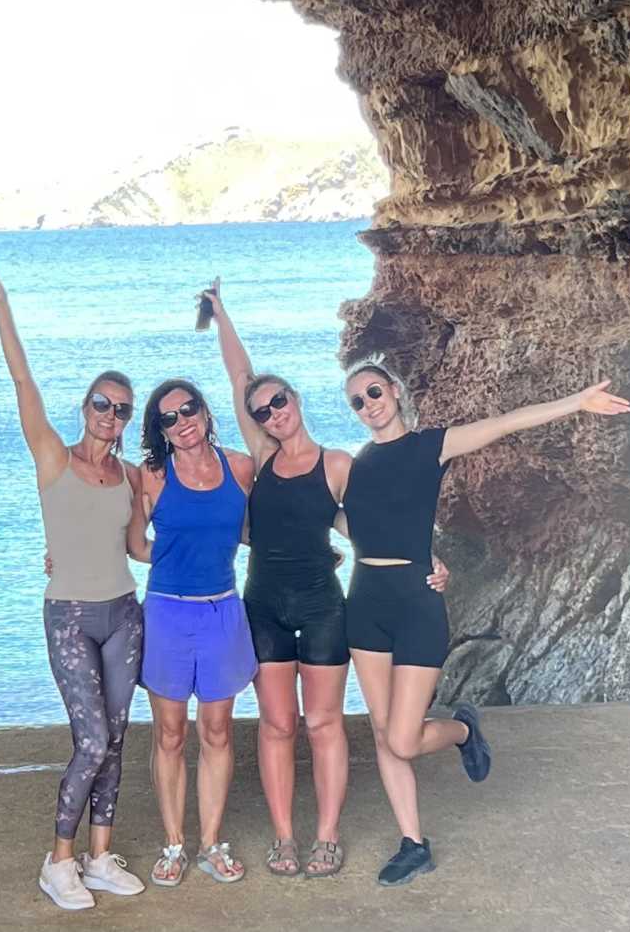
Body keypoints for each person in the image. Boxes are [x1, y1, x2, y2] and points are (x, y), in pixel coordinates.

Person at [343, 356, 630, 886]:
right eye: (357, 401)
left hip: (416, 603)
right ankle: (413, 843)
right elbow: (351, 522)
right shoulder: (358, 463)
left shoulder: (431, 446)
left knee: (404, 739)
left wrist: (577, 402)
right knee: (383, 733)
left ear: (396, 392)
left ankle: (462, 729)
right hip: (364, 603)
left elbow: (505, 422)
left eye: (374, 392)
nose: (368, 405)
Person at [201, 281, 447, 880]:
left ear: (296, 399)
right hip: (264, 604)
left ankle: (327, 836)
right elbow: (239, 377)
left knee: (323, 722)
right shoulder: (262, 457)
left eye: (278, 401)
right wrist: (223, 314)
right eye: (261, 411)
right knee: (277, 724)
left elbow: (373, 525)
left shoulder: (338, 465)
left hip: (322, 607)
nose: (271, 413)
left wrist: (429, 558)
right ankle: (285, 837)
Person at [0, 259, 146, 911]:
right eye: (102, 403)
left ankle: (100, 858)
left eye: (121, 409)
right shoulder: (53, 457)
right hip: (71, 615)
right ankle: (59, 861)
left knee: (117, 738)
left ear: (126, 420)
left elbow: (141, 547)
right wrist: (3, 311)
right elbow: (23, 381)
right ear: (86, 407)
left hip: (124, 614)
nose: (110, 414)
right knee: (91, 740)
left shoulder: (131, 477)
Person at [127, 378, 257, 887]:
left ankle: (211, 844)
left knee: (218, 731)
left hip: (222, 611)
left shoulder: (240, 467)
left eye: (188, 410)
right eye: (169, 418)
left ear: (204, 412)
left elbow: (252, 531)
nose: (181, 422)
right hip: (167, 614)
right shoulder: (153, 476)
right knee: (170, 732)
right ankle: (174, 844)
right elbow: (135, 545)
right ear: (159, 430)